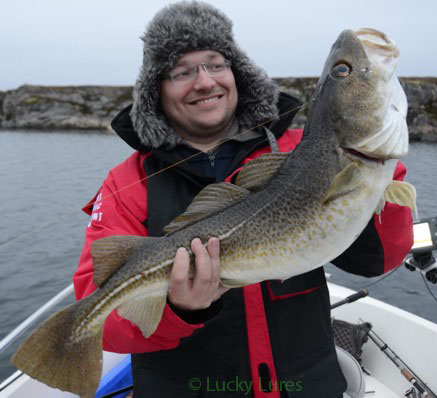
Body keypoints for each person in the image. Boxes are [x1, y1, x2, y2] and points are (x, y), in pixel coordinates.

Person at [73, 2, 413, 397]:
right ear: (156, 90)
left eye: (216, 64)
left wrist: (377, 172)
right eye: (182, 72)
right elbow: (101, 313)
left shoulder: (299, 151)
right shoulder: (126, 182)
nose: (204, 82)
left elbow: (376, 261)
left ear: (237, 73)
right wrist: (180, 309)